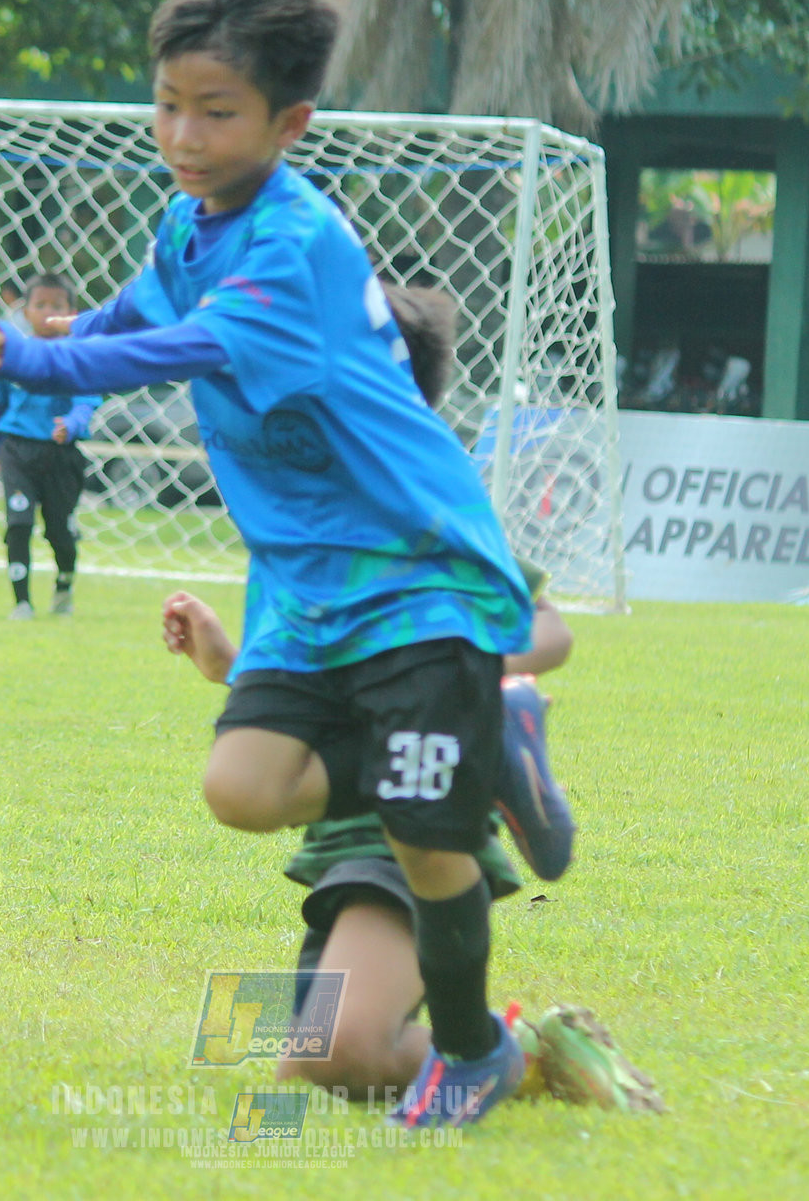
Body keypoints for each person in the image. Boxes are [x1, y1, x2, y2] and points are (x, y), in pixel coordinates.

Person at [0, 0, 572, 1127]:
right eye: (168, 105)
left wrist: (40, 354)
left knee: (422, 846)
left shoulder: (292, 245)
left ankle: (472, 1047)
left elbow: (184, 345)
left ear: (289, 123)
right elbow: (149, 303)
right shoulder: (191, 222)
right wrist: (80, 331)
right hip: (305, 580)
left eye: (214, 112)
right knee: (239, 785)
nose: (181, 134)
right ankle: (470, 765)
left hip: (409, 565)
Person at [156, 289, 651, 1113]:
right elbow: (316, 693)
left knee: (345, 1049)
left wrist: (450, 678)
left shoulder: (424, 507)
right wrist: (229, 666)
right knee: (311, 1062)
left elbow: (548, 629)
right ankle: (512, 1039)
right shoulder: (298, 520)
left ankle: (517, 1047)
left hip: (413, 825)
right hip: (345, 835)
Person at [0, 275, 100, 619]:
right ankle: (21, 603)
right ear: (26, 311)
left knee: (59, 530)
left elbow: (87, 401)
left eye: (57, 306)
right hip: (17, 451)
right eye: (40, 305)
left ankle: (63, 589)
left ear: (71, 313)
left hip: (61, 454)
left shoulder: (77, 356)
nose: (48, 313)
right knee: (18, 522)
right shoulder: (14, 357)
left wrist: (72, 423)